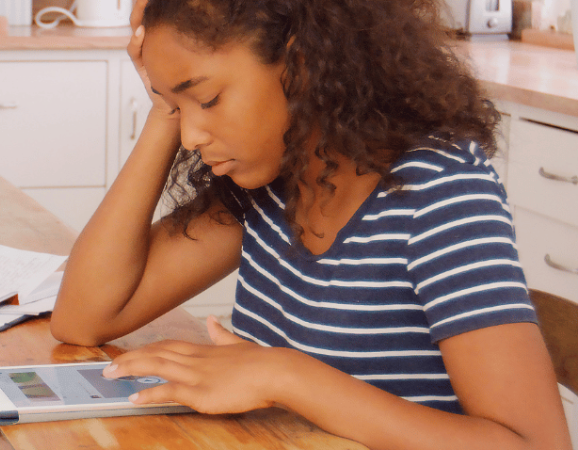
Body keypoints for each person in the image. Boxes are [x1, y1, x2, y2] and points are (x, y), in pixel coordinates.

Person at [50, 0, 572, 448]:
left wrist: (284, 374)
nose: (190, 136)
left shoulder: (437, 192)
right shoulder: (277, 179)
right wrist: (168, 102)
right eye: (176, 106)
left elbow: (537, 444)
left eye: (207, 99)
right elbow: (84, 317)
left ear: (300, 63)